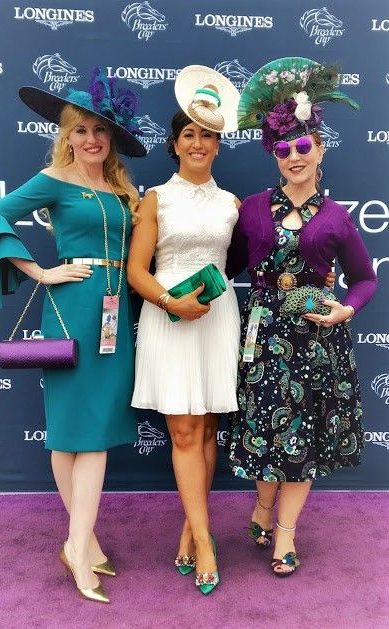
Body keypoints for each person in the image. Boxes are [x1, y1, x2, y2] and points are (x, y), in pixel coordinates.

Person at [0, 67, 146, 602]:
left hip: (112, 315)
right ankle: (80, 549)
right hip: (68, 309)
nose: (91, 139)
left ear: (112, 140)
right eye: (80, 129)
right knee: (70, 431)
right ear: (66, 135)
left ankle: (83, 543)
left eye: (99, 131)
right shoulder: (52, 181)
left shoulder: (119, 188)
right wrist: (41, 272)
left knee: (93, 429)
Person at [225, 57, 377, 576]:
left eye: (303, 147)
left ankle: (284, 535)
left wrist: (345, 310)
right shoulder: (250, 208)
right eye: (284, 149)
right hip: (263, 337)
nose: (294, 156)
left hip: (316, 339)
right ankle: (264, 507)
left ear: (320, 148)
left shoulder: (336, 218)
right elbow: (225, 267)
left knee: (301, 436)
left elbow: (365, 278)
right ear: (274, 153)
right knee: (266, 431)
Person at [127, 65, 240, 594]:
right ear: (175, 144)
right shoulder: (156, 198)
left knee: (210, 429)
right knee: (184, 431)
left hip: (217, 320)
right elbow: (136, 271)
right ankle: (207, 538)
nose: (199, 143)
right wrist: (174, 301)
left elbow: (238, 264)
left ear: (219, 143)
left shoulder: (232, 205)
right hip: (169, 319)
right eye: (189, 134)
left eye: (208, 135)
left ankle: (190, 529)